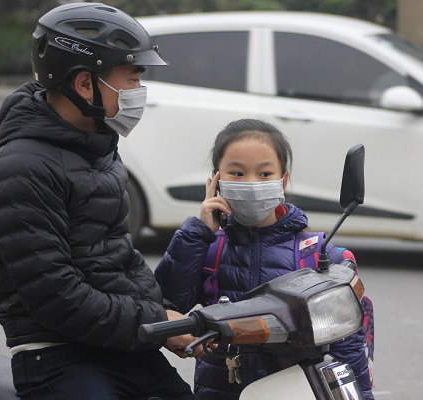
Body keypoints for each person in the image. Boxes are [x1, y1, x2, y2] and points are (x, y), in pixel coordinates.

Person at [0, 3, 202, 400]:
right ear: (85, 85)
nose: (138, 93)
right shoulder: (22, 169)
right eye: (131, 79)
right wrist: (154, 321)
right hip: (60, 358)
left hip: (120, 346)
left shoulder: (95, 147)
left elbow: (119, 258)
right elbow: (57, 295)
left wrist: (168, 326)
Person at [155, 119, 374, 400]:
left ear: (282, 180)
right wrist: (197, 232)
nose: (251, 183)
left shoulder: (320, 256)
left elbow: (349, 353)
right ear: (215, 182)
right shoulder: (207, 248)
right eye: (237, 172)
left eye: (264, 173)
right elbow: (165, 305)